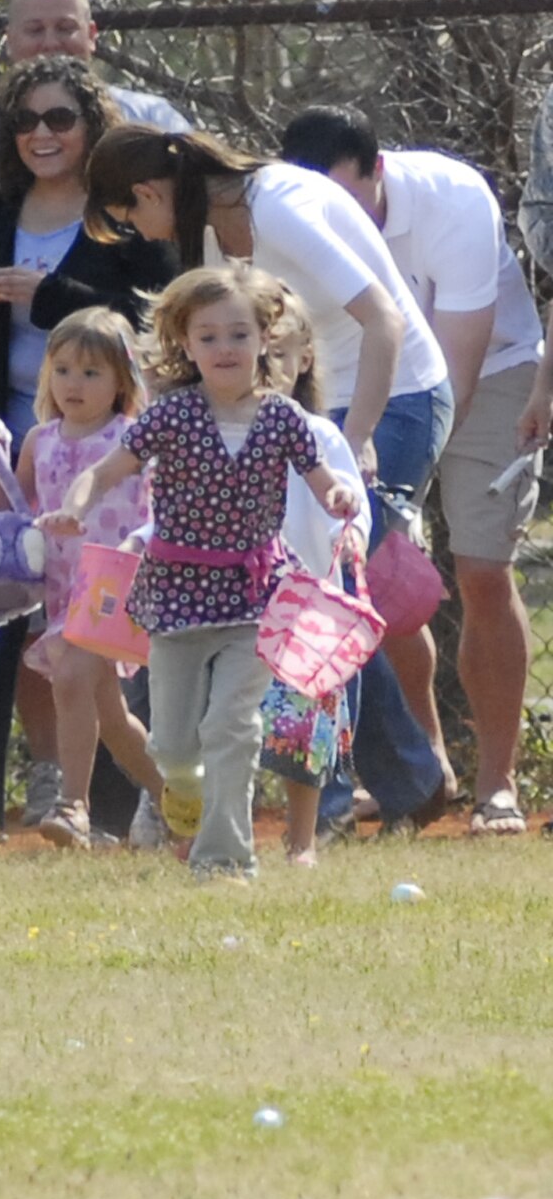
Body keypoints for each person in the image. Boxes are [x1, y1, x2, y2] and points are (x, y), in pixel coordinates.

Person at [85, 124, 455, 834]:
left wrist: (346, 446)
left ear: (147, 192)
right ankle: (400, 777)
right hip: (304, 407)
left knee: (319, 600)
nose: (145, 232)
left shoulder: (277, 204)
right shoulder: (207, 237)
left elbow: (384, 321)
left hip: (391, 398)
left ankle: (338, 801)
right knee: (299, 599)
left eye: (134, 218)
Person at [0, 56, 176, 844]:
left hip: (108, 458)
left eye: (60, 118)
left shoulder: (122, 219)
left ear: (91, 125)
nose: (43, 134)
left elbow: (155, 319)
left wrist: (52, 297)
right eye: (26, 121)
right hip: (10, 449)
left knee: (97, 644)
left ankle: (105, 809)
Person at [44, 265, 362, 879]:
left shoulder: (282, 419)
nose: (224, 348)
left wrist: (340, 498)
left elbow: (325, 482)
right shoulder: (172, 416)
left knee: (233, 725)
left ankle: (226, 859)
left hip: (254, 595)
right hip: (177, 596)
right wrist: (76, 507)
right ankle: (183, 799)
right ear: (185, 345)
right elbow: (107, 471)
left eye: (238, 334)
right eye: (208, 336)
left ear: (264, 339)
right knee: (175, 747)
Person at [279, 106, 542, 835]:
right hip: (363, 392)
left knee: (481, 570)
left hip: (487, 377)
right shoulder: (288, 210)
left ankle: (498, 785)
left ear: (378, 170)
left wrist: (403, 492)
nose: (328, 217)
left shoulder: (452, 196)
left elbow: (453, 365)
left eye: (344, 196)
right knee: (374, 570)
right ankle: (427, 770)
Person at [0, 306, 161, 849]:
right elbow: (19, 512)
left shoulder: (133, 439)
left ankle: (73, 805)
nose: (74, 383)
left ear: (123, 380)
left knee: (72, 678)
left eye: (92, 372)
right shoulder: (40, 440)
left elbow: (158, 511)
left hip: (115, 582)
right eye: (64, 369)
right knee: (113, 719)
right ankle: (180, 803)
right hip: (62, 590)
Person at [0, 0, 192, 281]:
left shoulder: (151, 118)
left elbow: (197, 213)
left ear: (92, 34)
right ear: (9, 39)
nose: (50, 43)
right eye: (34, 30)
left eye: (65, 28)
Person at [260, 282, 370, 865]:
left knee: (302, 725)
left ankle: (301, 840)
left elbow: (347, 498)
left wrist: (349, 530)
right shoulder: (218, 429)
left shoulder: (320, 434)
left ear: (304, 359)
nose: (265, 366)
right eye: (258, 352)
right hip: (233, 598)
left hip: (304, 603)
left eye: (279, 353)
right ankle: (206, 825)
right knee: (219, 717)